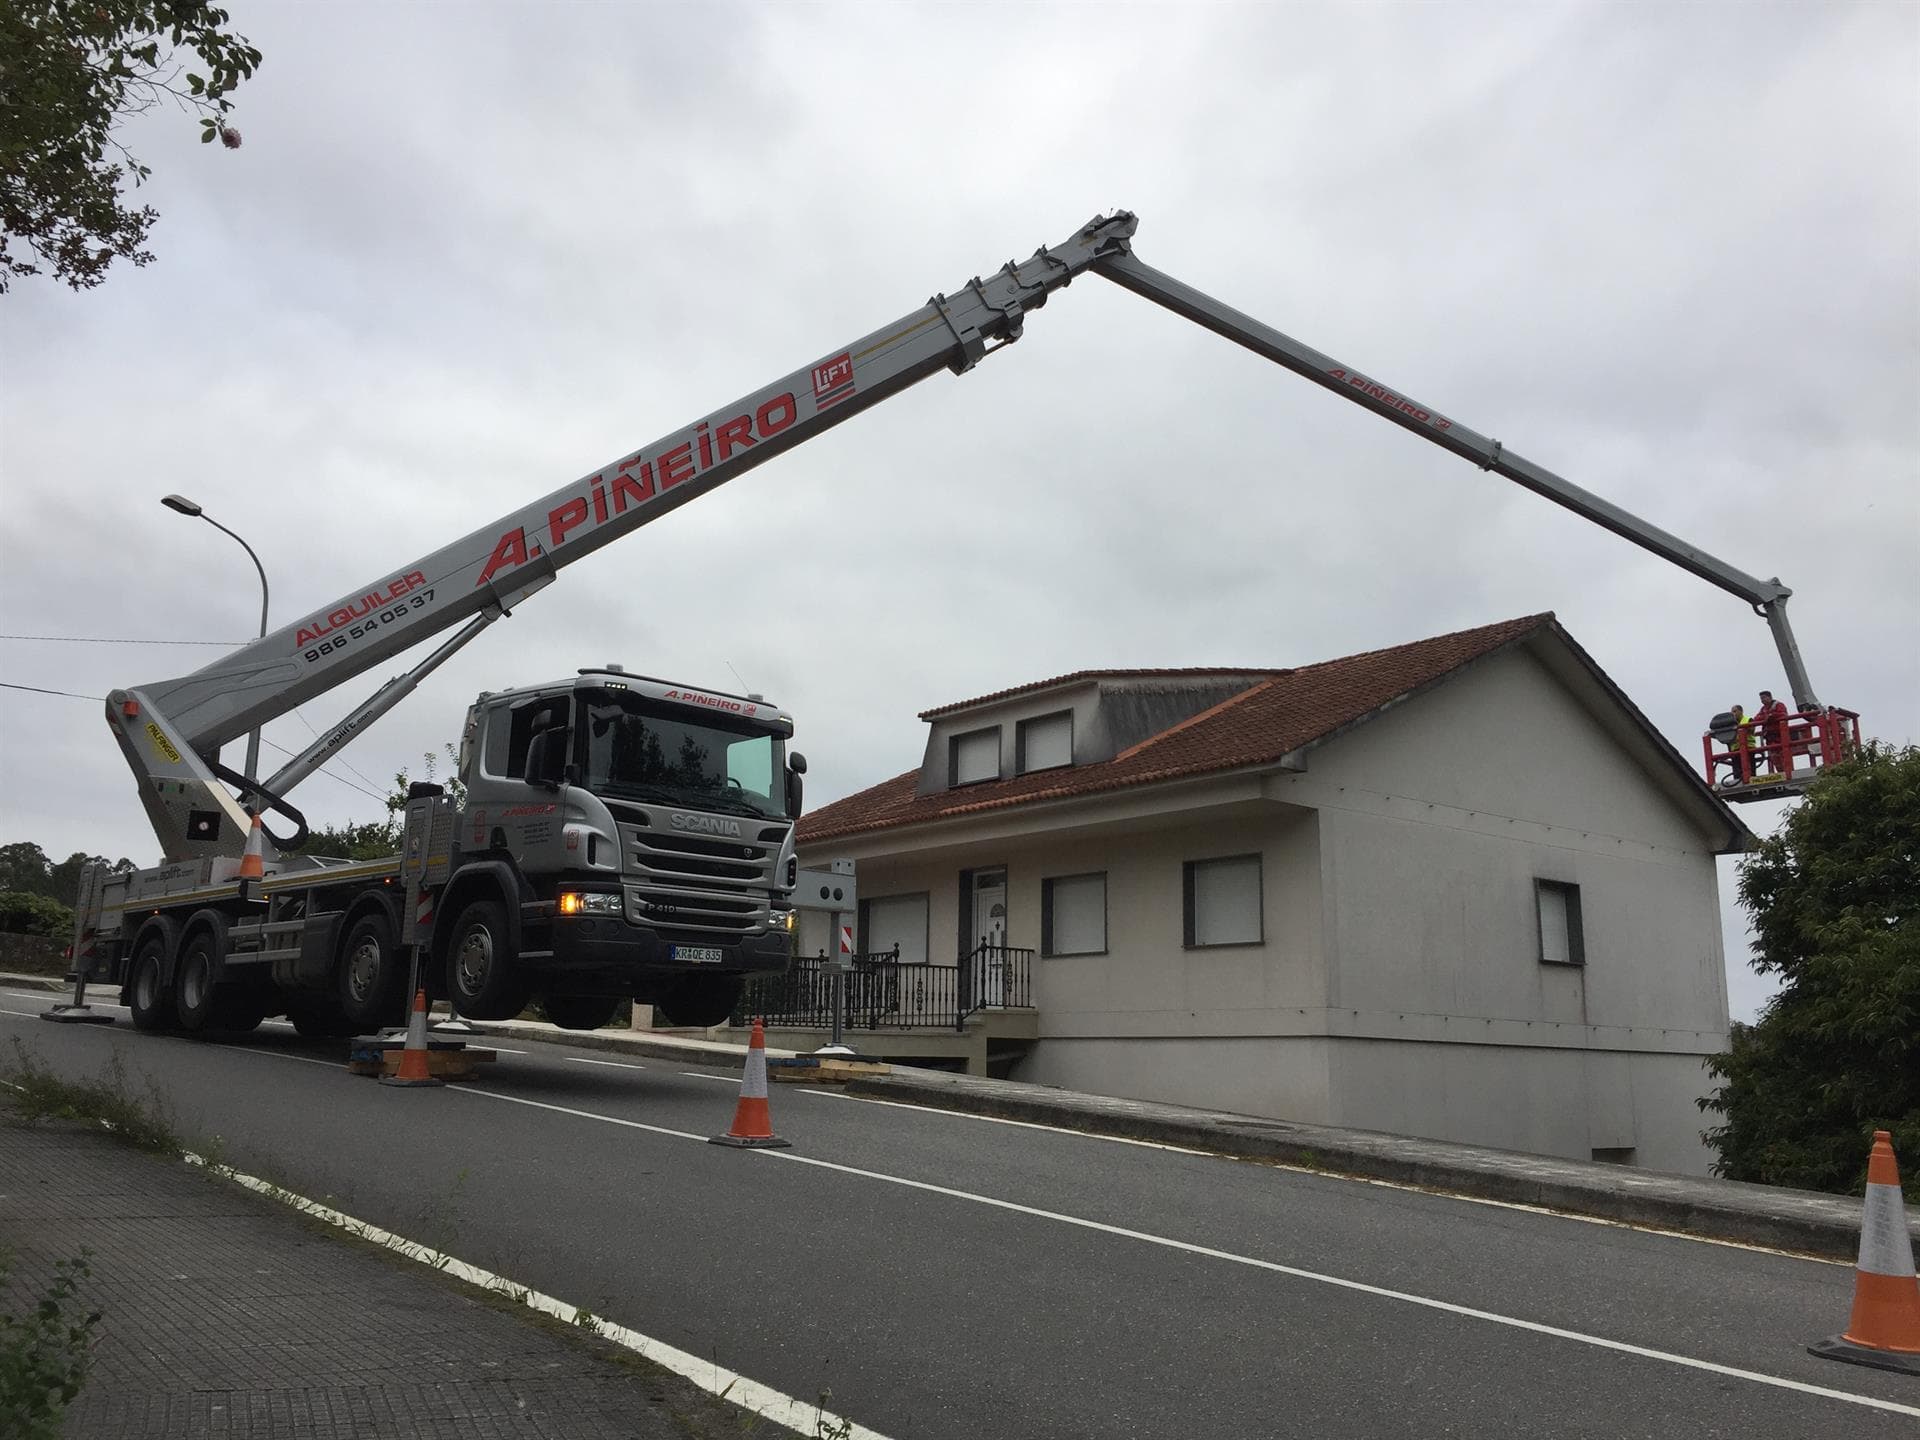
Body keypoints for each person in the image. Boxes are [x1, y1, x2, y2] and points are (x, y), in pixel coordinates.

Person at [1755, 690, 1792, 776]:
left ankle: (1787, 772)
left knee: (1783, 754)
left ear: (1770, 697)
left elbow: (1783, 715)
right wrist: (1766, 717)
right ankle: (1781, 772)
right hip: (1769, 736)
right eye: (1761, 699)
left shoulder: (1778, 705)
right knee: (1773, 756)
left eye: (1764, 698)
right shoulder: (1763, 709)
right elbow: (1757, 718)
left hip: (1779, 734)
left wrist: (1772, 716)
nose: (1762, 700)